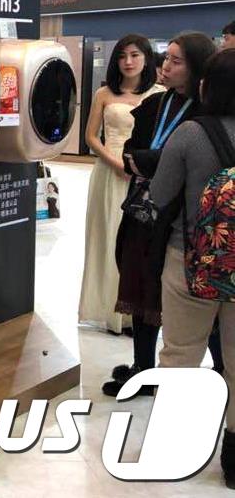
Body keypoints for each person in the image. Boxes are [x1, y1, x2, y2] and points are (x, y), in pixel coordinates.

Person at [103, 32, 220, 396]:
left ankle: (220, 371)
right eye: (165, 58)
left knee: (200, 305)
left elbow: (168, 162)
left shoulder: (207, 115)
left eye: (176, 60)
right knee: (141, 290)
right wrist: (150, 160)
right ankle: (142, 368)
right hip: (144, 212)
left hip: (186, 222)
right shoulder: (155, 105)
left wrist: (151, 161)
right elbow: (130, 154)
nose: (165, 66)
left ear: (197, 67)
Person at [152, 48, 235, 487]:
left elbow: (160, 194)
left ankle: (175, 448)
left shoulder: (189, 133)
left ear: (207, 86)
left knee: (181, 353)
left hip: (189, 259)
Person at [79, 35, 159, 334]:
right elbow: (90, 137)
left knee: (138, 244)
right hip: (109, 171)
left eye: (135, 55)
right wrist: (117, 164)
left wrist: (138, 166)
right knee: (108, 236)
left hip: (145, 174)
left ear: (147, 58)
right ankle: (109, 311)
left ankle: (134, 312)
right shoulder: (104, 93)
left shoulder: (159, 94)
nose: (128, 61)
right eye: (123, 56)